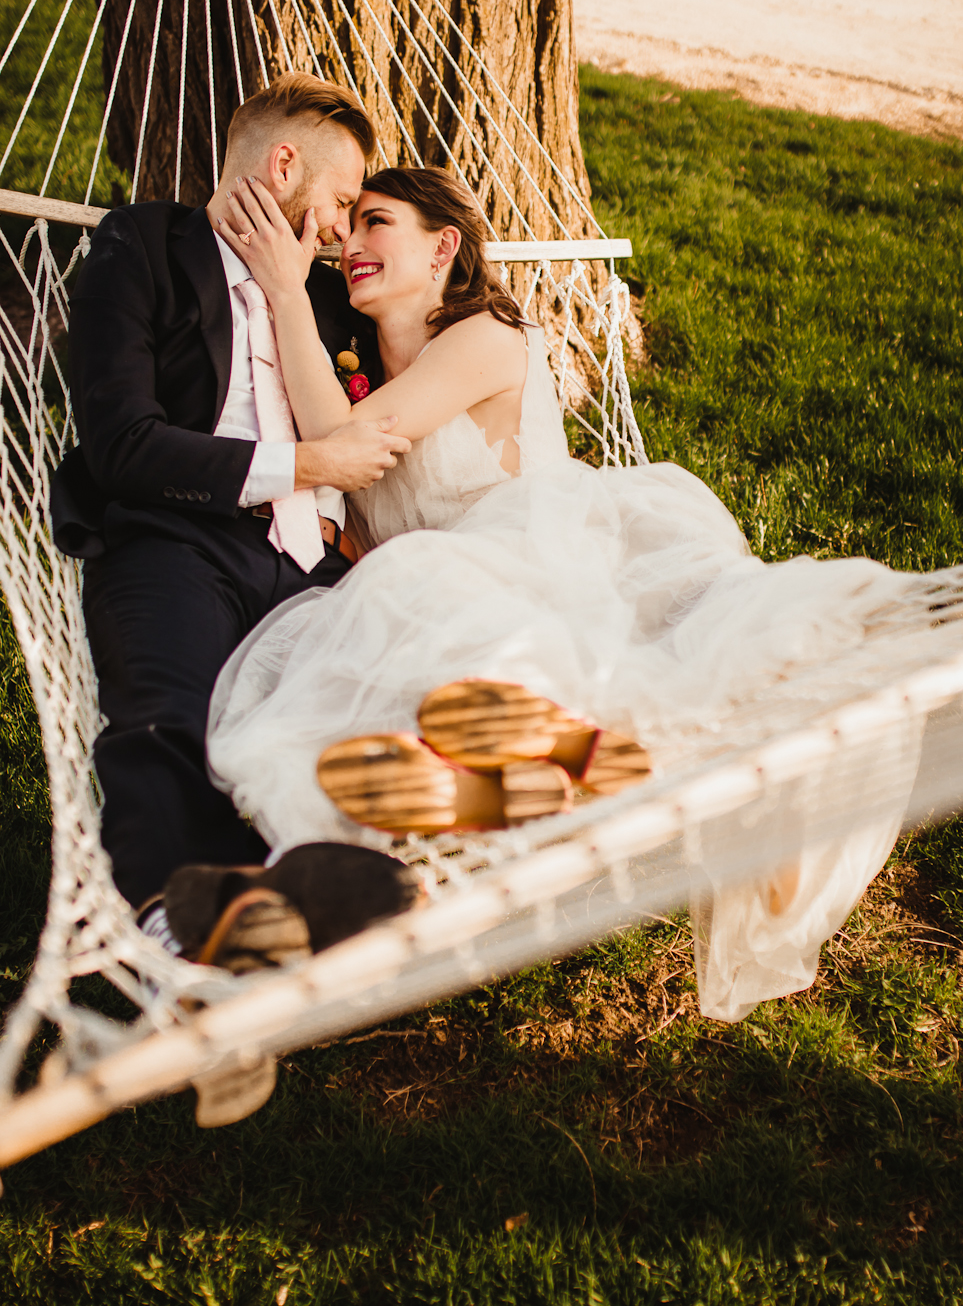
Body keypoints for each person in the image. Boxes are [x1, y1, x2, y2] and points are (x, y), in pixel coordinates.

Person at [206, 164, 931, 1024]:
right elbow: (345, 473)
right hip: (452, 590)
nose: (351, 245)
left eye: (376, 222)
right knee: (377, 682)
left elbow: (337, 439)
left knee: (585, 656)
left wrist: (286, 291)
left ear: (442, 246)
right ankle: (569, 784)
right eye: (349, 227)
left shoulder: (482, 337)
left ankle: (632, 775)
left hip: (551, 560)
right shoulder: (353, 363)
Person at [51, 74, 424, 990]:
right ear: (282, 163)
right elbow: (123, 446)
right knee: (166, 716)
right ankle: (173, 927)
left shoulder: (329, 300)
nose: (343, 229)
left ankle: (285, 899)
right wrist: (304, 470)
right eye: (340, 202)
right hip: (176, 536)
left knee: (368, 710)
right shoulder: (145, 246)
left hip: (315, 562)